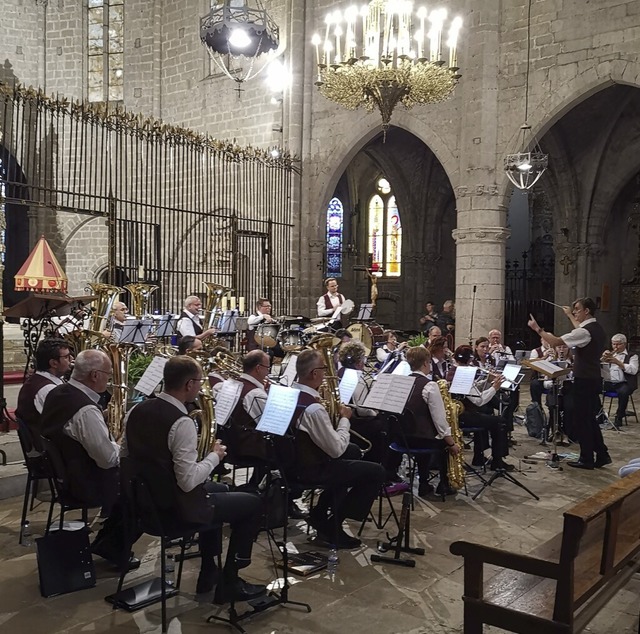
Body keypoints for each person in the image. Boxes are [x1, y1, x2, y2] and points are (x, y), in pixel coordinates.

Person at [122, 355, 266, 600]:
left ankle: (209, 570)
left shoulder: (136, 410)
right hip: (175, 511)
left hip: (144, 505)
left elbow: (126, 456)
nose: (201, 387)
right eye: (199, 382)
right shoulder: (181, 421)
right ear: (189, 384)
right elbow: (188, 482)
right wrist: (214, 457)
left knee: (220, 490)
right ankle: (231, 581)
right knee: (252, 503)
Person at [291, 349, 385, 549]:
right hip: (309, 469)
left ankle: (320, 511)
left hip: (290, 461)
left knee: (352, 451)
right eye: (324, 369)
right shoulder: (313, 409)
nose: (326, 373)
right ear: (314, 374)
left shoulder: (289, 394)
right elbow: (336, 450)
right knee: (376, 472)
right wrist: (344, 419)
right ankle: (332, 525)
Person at [528, 297, 610, 470]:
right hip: (593, 378)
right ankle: (602, 454)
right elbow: (580, 329)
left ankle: (587, 458)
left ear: (586, 311)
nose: (574, 312)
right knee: (590, 420)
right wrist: (569, 316)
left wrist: (538, 329)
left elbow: (556, 342)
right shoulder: (596, 328)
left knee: (582, 421)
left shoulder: (585, 332)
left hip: (585, 380)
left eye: (577, 309)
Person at [40, 349, 120, 516]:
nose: (110, 379)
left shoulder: (57, 392)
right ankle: (116, 534)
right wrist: (123, 442)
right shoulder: (85, 411)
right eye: (108, 374)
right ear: (95, 375)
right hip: (87, 484)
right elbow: (108, 460)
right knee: (143, 475)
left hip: (66, 478)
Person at [398, 346, 461, 497]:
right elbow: (439, 420)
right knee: (442, 442)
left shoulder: (401, 382)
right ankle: (444, 484)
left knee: (426, 434)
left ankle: (424, 483)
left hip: (401, 438)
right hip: (421, 439)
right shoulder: (429, 385)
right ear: (426, 363)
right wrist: (452, 443)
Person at [451, 345, 513, 471]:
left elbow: (471, 390)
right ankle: (497, 461)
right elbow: (479, 401)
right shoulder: (463, 374)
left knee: (484, 415)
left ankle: (479, 457)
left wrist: (486, 380)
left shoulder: (453, 370)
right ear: (469, 361)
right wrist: (494, 387)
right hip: (462, 416)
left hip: (456, 413)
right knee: (499, 421)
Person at [16, 338, 73, 447]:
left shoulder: (41, 380)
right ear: (54, 363)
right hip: (52, 453)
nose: (71, 359)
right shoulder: (47, 390)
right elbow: (65, 425)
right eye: (66, 357)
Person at [601, 333, 638, 426]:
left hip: (625, 382)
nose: (615, 346)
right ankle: (600, 415)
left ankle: (619, 417)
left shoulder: (632, 356)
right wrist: (603, 358)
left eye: (618, 344)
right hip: (610, 382)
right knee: (592, 388)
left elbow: (633, 370)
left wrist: (617, 362)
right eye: (613, 344)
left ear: (624, 344)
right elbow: (599, 365)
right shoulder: (610, 354)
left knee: (623, 392)